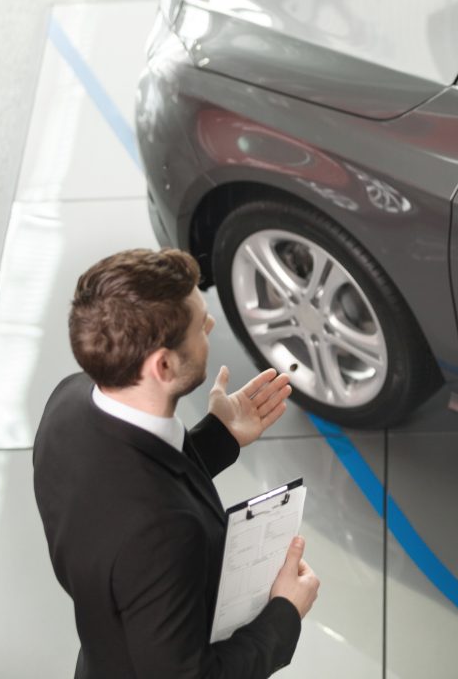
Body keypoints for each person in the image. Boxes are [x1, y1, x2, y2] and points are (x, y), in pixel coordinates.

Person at [33, 248, 320, 679]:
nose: (211, 325)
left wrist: (219, 436)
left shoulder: (68, 403)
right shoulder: (161, 535)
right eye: (200, 325)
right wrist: (283, 614)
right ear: (163, 365)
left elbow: (123, 482)